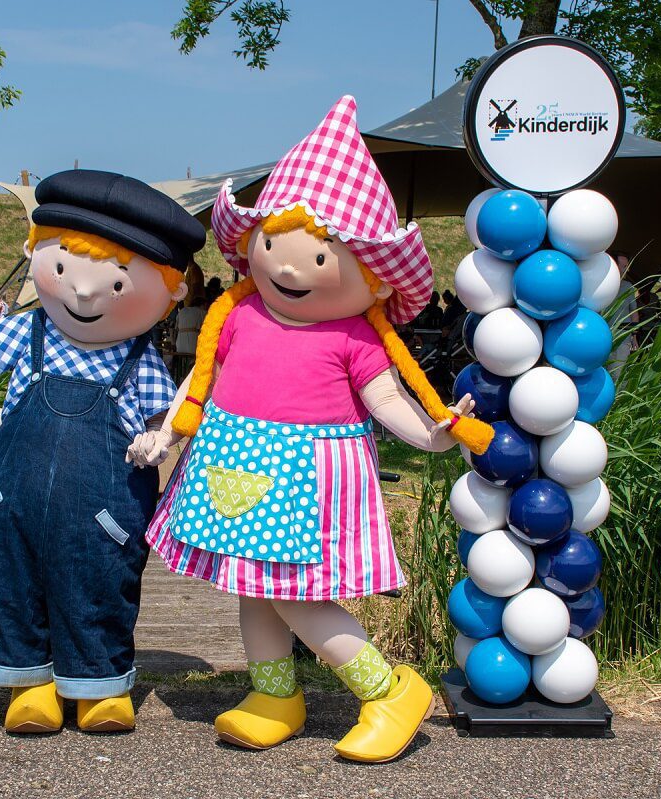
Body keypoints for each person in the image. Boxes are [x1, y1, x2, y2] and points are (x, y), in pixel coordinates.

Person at [129, 97, 489, 763]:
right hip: (232, 463)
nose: (289, 269)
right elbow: (200, 381)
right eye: (271, 246)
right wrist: (168, 434)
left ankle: (388, 691)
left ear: (373, 280)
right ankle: (275, 695)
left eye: (319, 258)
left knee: (300, 598)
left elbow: (386, 397)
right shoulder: (238, 314)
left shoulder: (354, 335)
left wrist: (434, 435)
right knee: (253, 590)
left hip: (309, 480)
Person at [0, 169, 203, 735]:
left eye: (117, 283)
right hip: (11, 497)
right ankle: (29, 685)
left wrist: (157, 442)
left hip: (102, 510)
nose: (85, 292)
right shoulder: (29, 332)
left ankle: (100, 686)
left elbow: (167, 418)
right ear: (37, 251)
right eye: (64, 269)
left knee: (97, 583)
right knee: (12, 578)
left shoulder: (137, 359)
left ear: (170, 292)